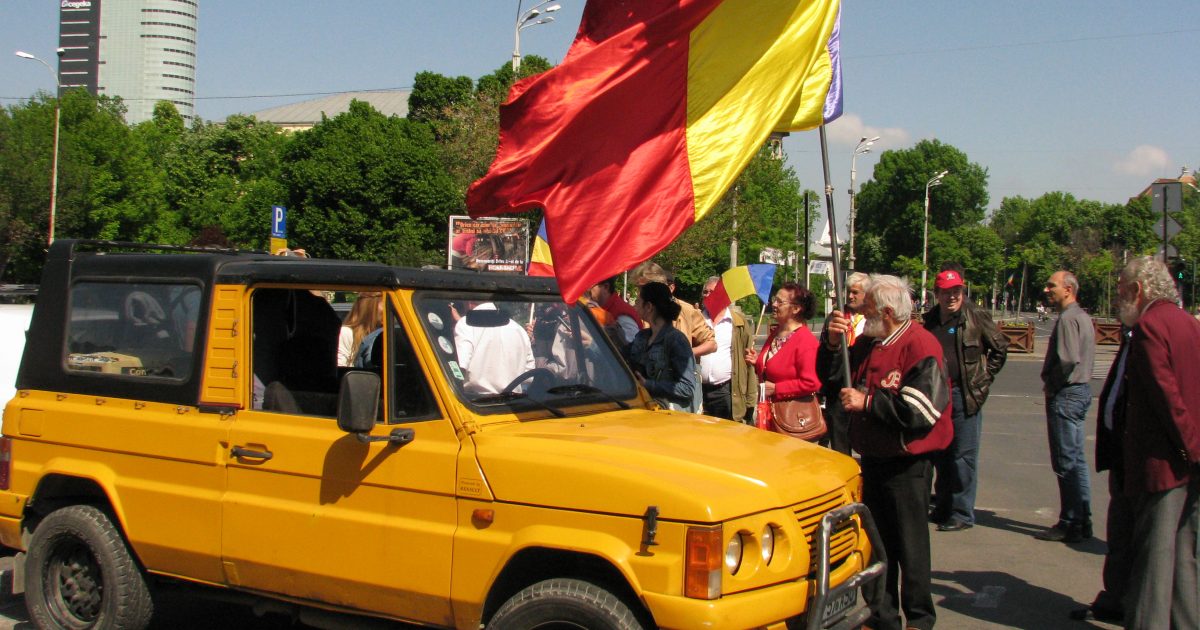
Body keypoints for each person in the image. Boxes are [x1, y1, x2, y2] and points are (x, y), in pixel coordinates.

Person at [829, 275, 952, 630]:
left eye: (867, 309)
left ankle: (919, 619)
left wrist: (867, 402)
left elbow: (920, 411)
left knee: (910, 546)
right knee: (876, 543)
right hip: (874, 458)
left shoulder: (921, 345)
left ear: (886, 312)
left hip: (907, 463)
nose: (861, 315)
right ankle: (882, 615)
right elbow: (835, 378)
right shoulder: (872, 343)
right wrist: (834, 344)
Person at [1113, 257, 1200, 629]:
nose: (1118, 300)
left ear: (1138, 290)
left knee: (1155, 560)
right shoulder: (1188, 323)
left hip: (1164, 460)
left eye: (1121, 292)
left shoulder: (1149, 327)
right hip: (1189, 458)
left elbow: (1167, 397)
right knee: (1184, 557)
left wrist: (1189, 447)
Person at [923, 266, 1008, 532]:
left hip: (964, 394)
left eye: (956, 291)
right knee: (941, 453)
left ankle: (961, 513)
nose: (952, 297)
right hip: (937, 394)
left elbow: (1000, 348)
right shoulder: (930, 320)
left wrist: (983, 378)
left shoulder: (974, 316)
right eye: (946, 292)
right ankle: (944, 506)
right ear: (936, 293)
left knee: (963, 455)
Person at [1069, 325, 1132, 623]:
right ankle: (1115, 600)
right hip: (1122, 453)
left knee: (1142, 539)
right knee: (1120, 532)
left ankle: (1135, 606)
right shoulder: (1131, 338)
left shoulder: (1151, 337)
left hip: (1140, 456)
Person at [1035, 270, 1095, 543]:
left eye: (1052, 286)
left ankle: (1071, 521)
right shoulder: (1081, 316)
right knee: (1076, 460)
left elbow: (1068, 359)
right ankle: (1082, 518)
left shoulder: (1069, 319)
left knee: (1066, 460)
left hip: (1067, 393)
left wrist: (1053, 384)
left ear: (1068, 290)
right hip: (1079, 391)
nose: (1047, 290)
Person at [631, 261, 715, 412]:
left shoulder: (685, 313)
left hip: (673, 413)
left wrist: (685, 354)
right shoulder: (643, 335)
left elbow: (711, 343)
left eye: (642, 288)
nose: (638, 295)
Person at [744, 282, 821, 433]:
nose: (774, 304)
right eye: (775, 299)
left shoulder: (806, 341)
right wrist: (758, 362)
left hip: (790, 420)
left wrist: (777, 389)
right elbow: (775, 369)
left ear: (796, 309)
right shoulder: (776, 334)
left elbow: (812, 383)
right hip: (769, 414)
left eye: (780, 302)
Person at [819, 272, 870, 454]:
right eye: (848, 291)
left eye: (855, 292)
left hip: (863, 391)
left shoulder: (873, 319)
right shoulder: (836, 318)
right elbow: (824, 354)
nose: (850, 296)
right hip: (838, 391)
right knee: (840, 448)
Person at [625, 282, 696, 409]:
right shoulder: (641, 337)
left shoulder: (676, 340)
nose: (635, 306)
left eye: (638, 302)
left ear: (648, 306)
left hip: (669, 416)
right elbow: (619, 357)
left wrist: (648, 384)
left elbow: (687, 389)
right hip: (644, 412)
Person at [699, 276, 757, 422]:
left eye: (712, 292)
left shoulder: (738, 322)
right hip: (699, 390)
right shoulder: (696, 319)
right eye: (705, 292)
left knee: (727, 432)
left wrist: (750, 399)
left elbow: (748, 363)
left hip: (726, 391)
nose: (707, 295)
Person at [453, 302, 535, 395]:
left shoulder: (465, 324)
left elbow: (459, 369)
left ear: (469, 302)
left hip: (475, 400)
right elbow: (529, 376)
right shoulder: (519, 330)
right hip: (513, 401)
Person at [588, 277, 642, 346]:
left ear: (606, 287)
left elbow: (630, 347)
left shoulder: (622, 314)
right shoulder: (600, 307)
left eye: (589, 286)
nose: (586, 290)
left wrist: (592, 343)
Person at [337, 293, 383, 367]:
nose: (386, 309)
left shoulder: (386, 333)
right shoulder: (346, 333)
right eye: (384, 304)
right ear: (369, 306)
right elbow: (340, 368)